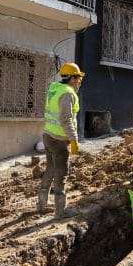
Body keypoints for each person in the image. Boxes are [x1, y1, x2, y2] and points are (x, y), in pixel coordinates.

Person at [38, 62, 84, 217]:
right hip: (59, 140)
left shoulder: (54, 88)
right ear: (71, 78)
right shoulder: (67, 94)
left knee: (50, 169)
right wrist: (74, 140)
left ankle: (41, 205)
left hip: (48, 135)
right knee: (61, 173)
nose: (79, 81)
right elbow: (66, 120)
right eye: (77, 78)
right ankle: (60, 211)